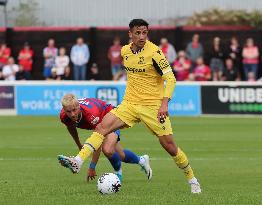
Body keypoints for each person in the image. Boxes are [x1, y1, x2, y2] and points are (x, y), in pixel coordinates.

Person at [58, 19, 201, 194]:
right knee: (102, 127)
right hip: (130, 104)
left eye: (145, 33)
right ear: (130, 34)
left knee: (169, 146)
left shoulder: (155, 52)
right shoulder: (125, 51)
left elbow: (170, 79)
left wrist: (164, 104)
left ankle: (192, 179)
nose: (142, 36)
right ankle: (78, 161)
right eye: (138, 33)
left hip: (152, 107)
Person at [59, 94, 152, 182]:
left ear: (78, 106)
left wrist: (92, 166)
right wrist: (79, 144)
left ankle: (118, 173)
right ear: (64, 109)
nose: (72, 114)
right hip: (100, 124)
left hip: (111, 116)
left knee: (107, 150)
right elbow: (71, 127)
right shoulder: (63, 116)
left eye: (74, 110)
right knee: (121, 155)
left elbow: (97, 139)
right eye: (68, 111)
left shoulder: (91, 115)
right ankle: (142, 160)